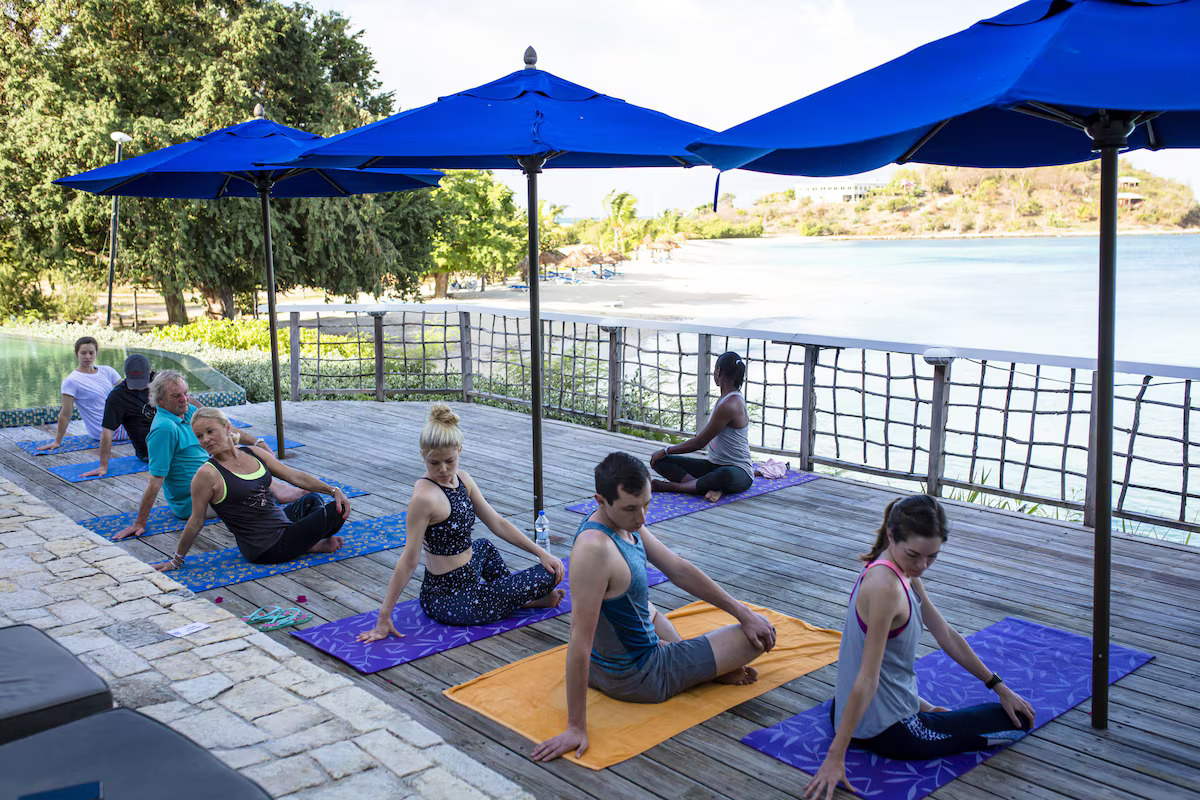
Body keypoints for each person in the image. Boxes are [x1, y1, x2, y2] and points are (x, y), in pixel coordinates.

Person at [531, 452, 776, 763]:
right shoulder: (595, 550)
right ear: (601, 501)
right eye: (632, 508)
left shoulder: (621, 521)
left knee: (641, 604)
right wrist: (575, 727)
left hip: (610, 664)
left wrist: (744, 613)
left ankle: (696, 663)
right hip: (642, 676)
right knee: (760, 636)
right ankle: (702, 670)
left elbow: (678, 569)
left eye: (646, 504)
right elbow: (579, 640)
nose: (642, 517)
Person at [802, 495, 1036, 800]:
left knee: (994, 707)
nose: (922, 565)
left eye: (932, 557)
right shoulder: (886, 588)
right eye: (914, 555)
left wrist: (998, 686)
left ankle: (922, 708)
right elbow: (868, 678)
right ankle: (916, 717)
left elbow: (945, 633)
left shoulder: (897, 566)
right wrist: (835, 756)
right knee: (1019, 721)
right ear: (891, 535)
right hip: (889, 730)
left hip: (847, 709)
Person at [356, 404, 565, 641]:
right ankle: (519, 600)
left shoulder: (463, 479)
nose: (443, 469)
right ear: (422, 455)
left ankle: (515, 599)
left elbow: (497, 523)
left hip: (470, 576)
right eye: (434, 463)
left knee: (489, 547)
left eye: (450, 460)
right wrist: (384, 617)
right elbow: (409, 560)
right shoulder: (423, 499)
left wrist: (541, 553)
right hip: (451, 600)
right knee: (547, 576)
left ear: (460, 451)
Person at [154, 407, 350, 571]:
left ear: (227, 427)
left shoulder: (253, 453)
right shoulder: (206, 475)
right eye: (199, 436)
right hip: (265, 548)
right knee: (335, 511)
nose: (205, 440)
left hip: (282, 526)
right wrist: (176, 560)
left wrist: (333, 490)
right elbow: (196, 521)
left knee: (313, 500)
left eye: (210, 431)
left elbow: (294, 476)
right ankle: (309, 544)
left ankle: (305, 544)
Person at [114, 370, 301, 539]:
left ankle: (278, 488)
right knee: (252, 481)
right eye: (176, 396)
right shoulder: (164, 428)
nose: (184, 399)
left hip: (215, 480)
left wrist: (256, 442)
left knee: (243, 453)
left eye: (185, 393)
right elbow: (155, 480)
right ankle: (278, 491)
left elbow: (225, 429)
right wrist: (139, 523)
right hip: (194, 500)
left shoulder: (188, 412)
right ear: (161, 401)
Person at [649, 351, 753, 502]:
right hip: (714, 465)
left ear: (718, 371)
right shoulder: (725, 399)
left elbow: (699, 442)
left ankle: (674, 487)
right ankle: (704, 487)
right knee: (659, 461)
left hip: (738, 471)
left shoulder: (731, 404)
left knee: (724, 475)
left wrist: (666, 450)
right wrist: (664, 454)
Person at [80, 353, 159, 478]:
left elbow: (186, 401)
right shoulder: (117, 397)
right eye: (135, 381)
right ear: (125, 373)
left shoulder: (162, 381)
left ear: (150, 371)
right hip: (150, 453)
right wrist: (103, 465)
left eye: (141, 381)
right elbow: (107, 432)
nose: (138, 388)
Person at [38, 336, 123, 450]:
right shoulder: (71, 381)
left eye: (91, 353)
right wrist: (57, 441)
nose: (87, 357)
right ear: (76, 354)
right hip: (106, 431)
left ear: (96, 353)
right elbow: (65, 414)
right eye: (83, 353)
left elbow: (128, 392)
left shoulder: (107, 371)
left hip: (119, 422)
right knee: (145, 426)